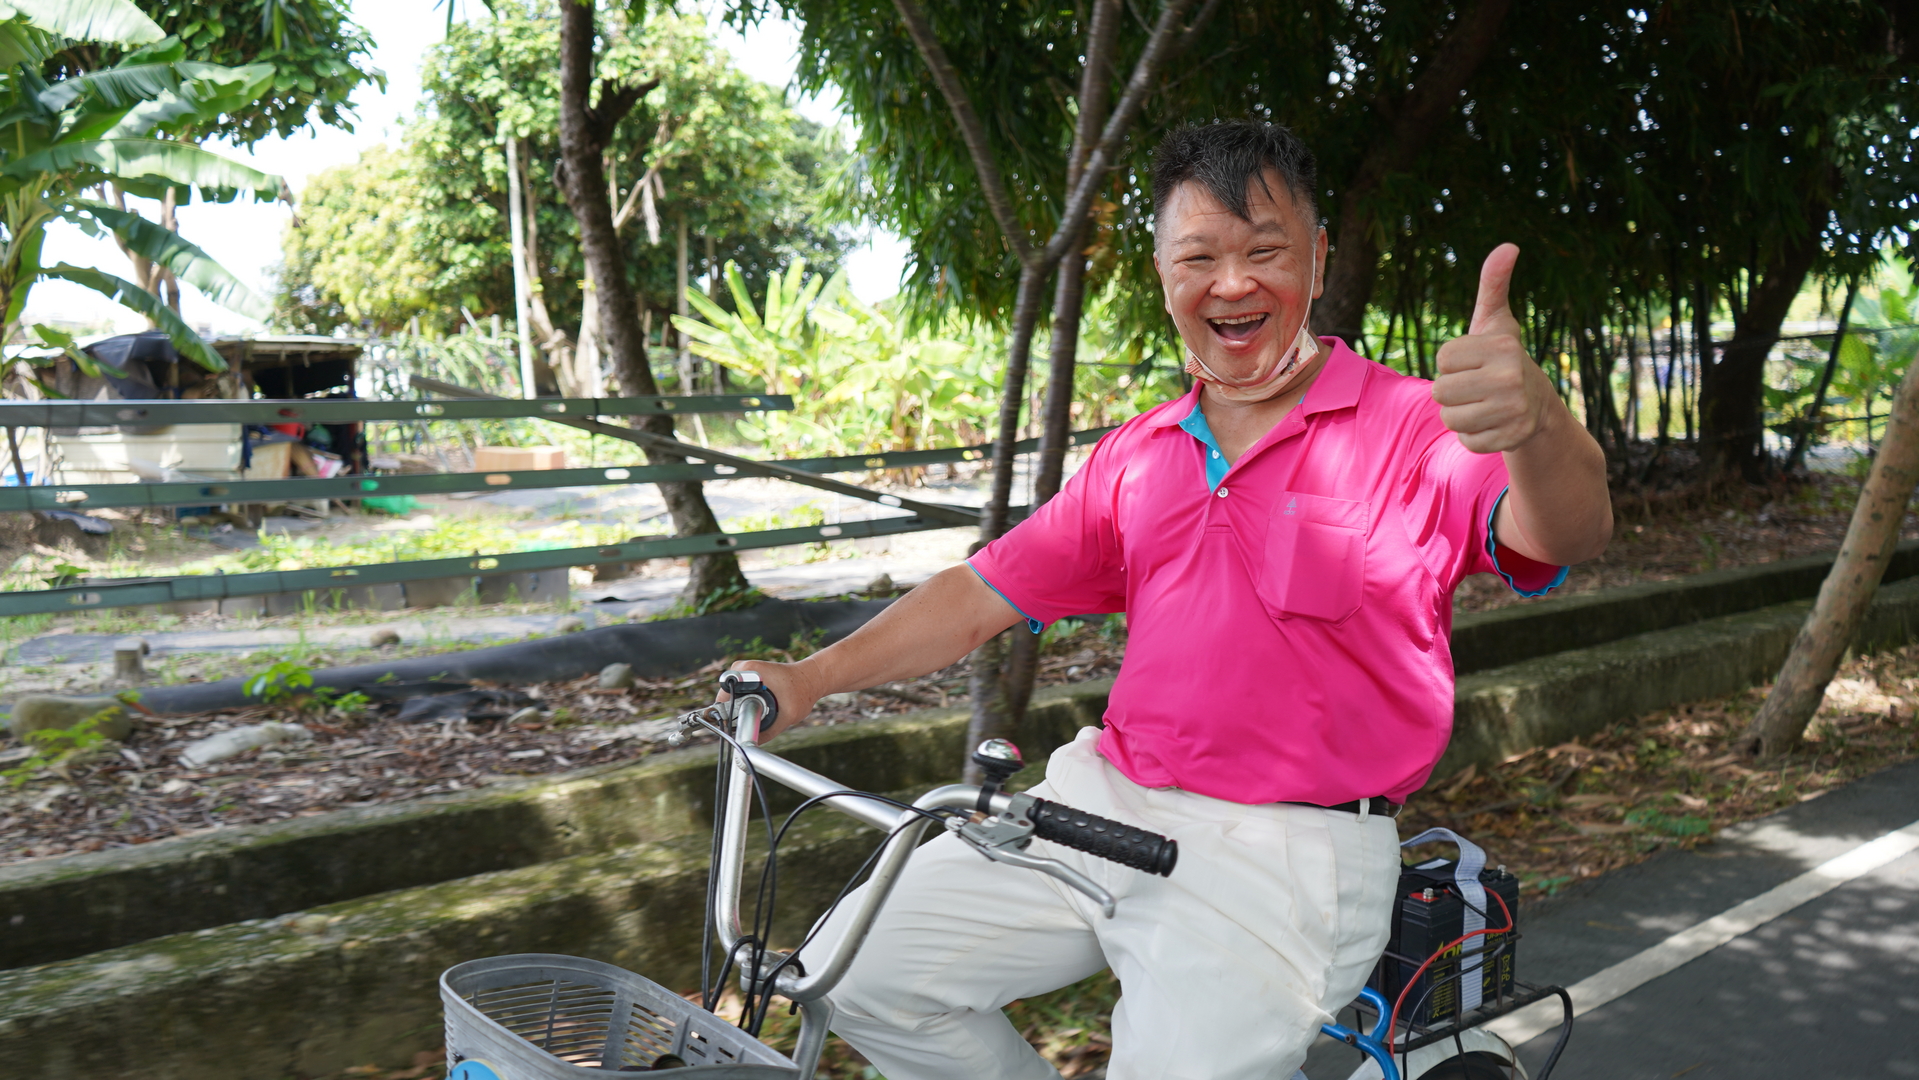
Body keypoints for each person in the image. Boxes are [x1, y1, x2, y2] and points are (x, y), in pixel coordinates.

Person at [731, 121, 1612, 1080]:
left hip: (1282, 856)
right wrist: (808, 678)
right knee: (852, 976)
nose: (1231, 284)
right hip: (1097, 801)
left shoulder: (1408, 427)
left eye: (1264, 252)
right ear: (1162, 276)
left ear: (1317, 259)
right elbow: (979, 593)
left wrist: (1538, 424)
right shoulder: (1138, 454)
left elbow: (1562, 533)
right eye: (1198, 258)